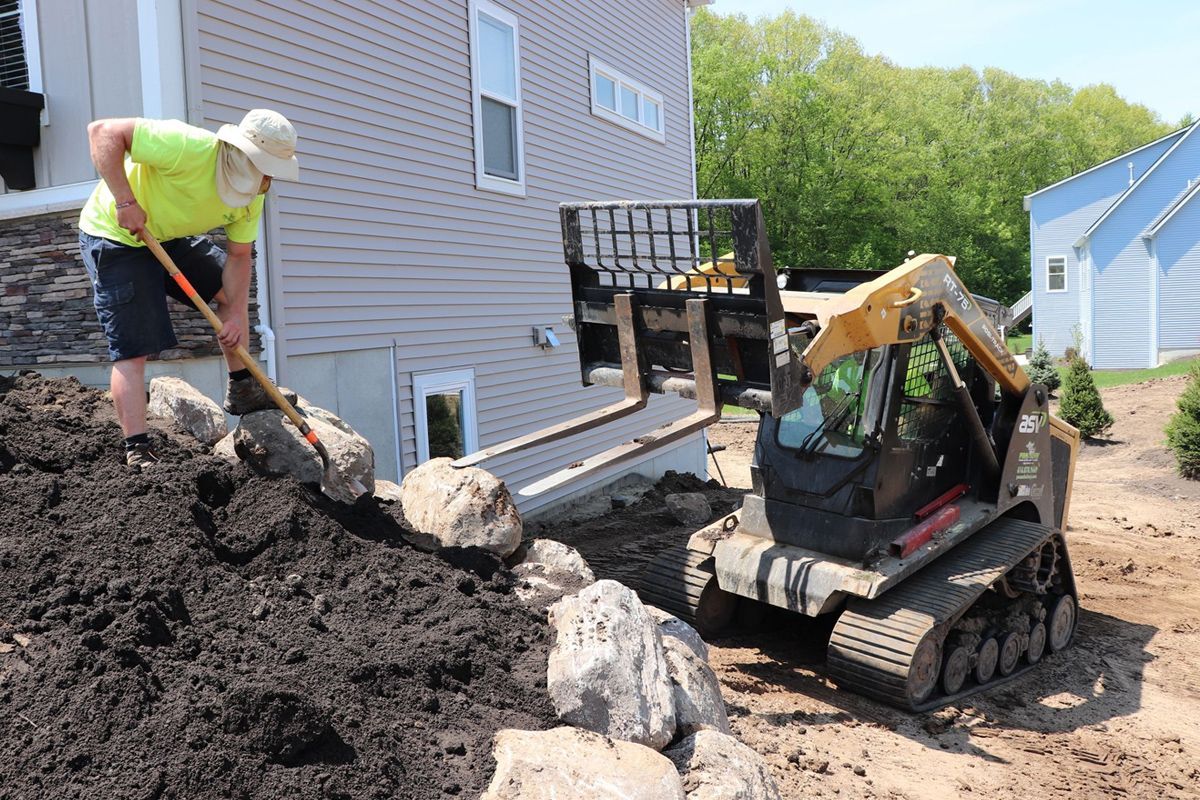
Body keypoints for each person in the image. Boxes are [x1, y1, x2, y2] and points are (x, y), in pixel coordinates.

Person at [77, 109, 300, 468]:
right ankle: (138, 449)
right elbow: (101, 131)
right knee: (134, 346)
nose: (266, 176)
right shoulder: (189, 147)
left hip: (165, 233)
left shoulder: (255, 192)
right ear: (241, 152)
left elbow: (239, 257)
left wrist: (237, 321)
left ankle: (242, 385)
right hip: (116, 233)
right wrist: (125, 201)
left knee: (229, 296)